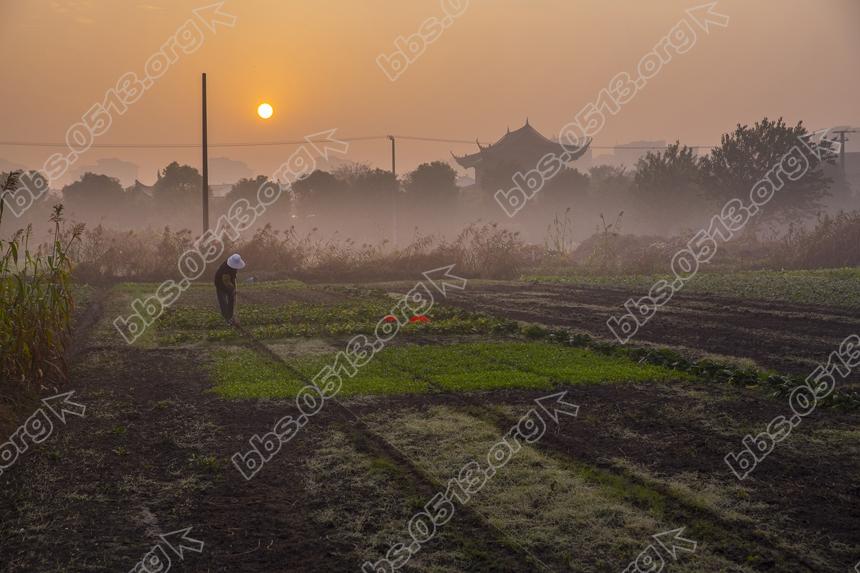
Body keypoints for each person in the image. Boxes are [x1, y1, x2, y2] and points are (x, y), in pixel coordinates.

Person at [214, 253, 245, 325]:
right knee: (223, 301)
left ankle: (231, 316)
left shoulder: (234, 266)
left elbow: (233, 278)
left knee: (232, 299)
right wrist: (232, 289)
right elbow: (226, 281)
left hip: (229, 281)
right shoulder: (225, 269)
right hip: (220, 283)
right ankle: (227, 318)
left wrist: (234, 288)